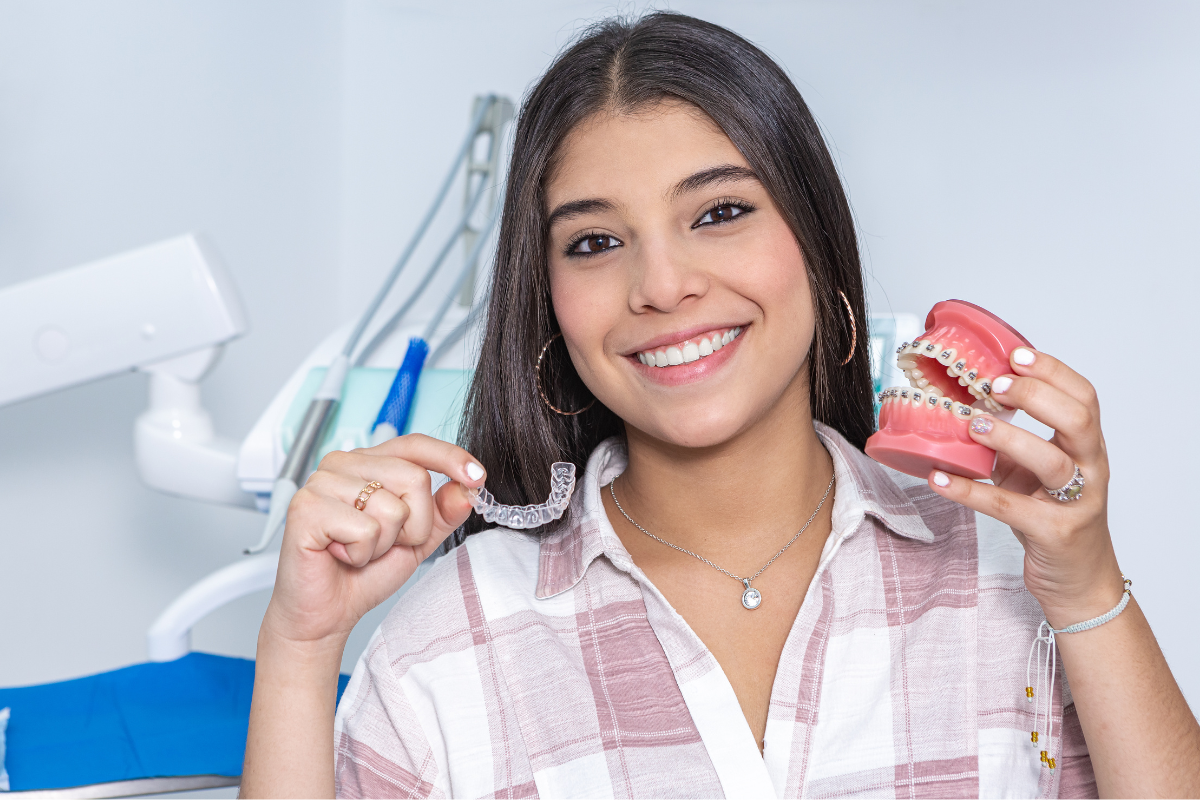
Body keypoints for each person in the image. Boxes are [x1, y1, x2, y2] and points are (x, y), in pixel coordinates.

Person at [241, 12, 1200, 798]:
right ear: (549, 306)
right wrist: (299, 644)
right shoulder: (452, 638)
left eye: (719, 213)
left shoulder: (1004, 572)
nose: (662, 285)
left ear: (815, 242)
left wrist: (1086, 591)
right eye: (593, 243)